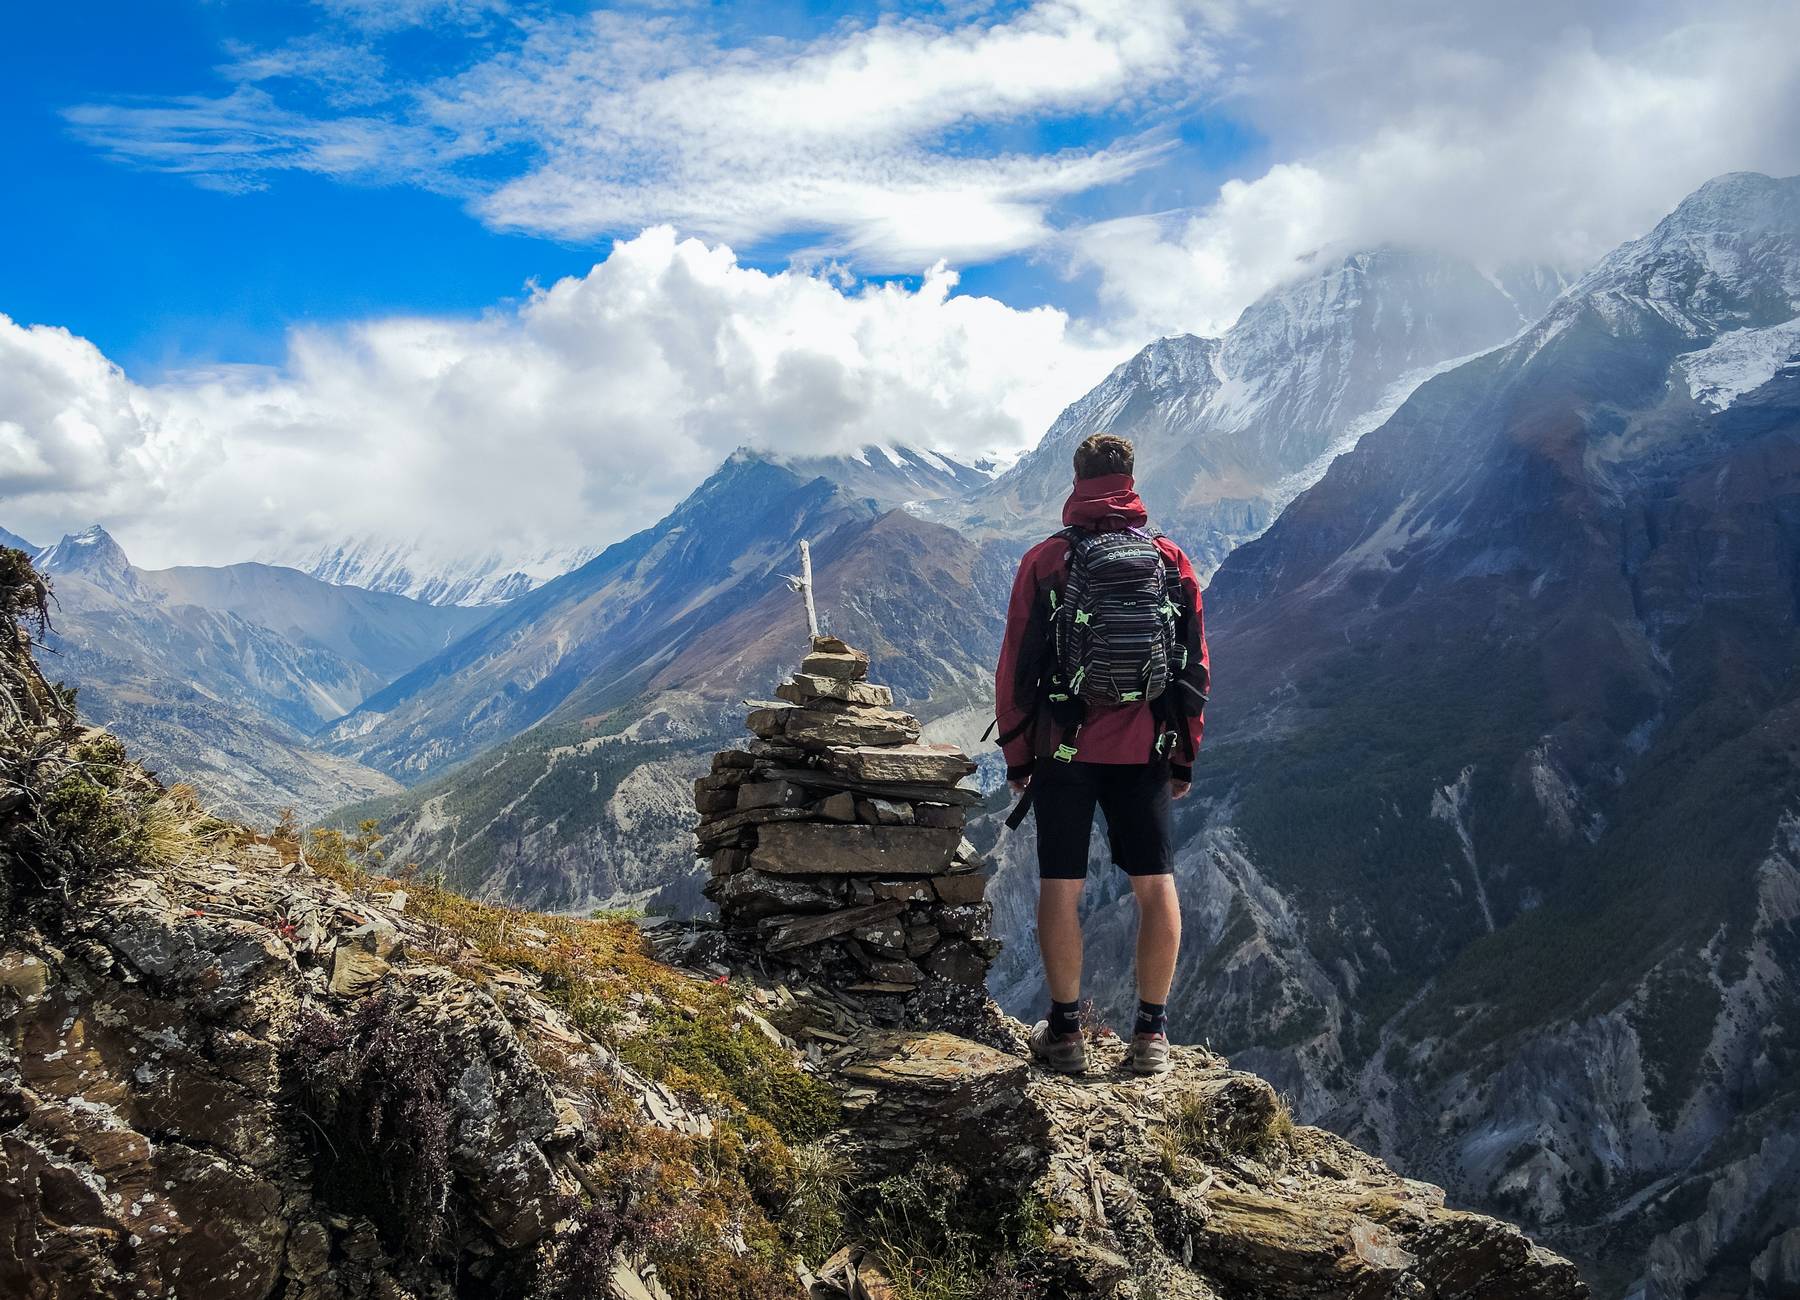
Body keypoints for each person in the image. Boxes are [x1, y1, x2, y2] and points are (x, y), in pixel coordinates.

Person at [993, 432, 1209, 1075]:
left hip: (1063, 747)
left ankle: (1065, 1032)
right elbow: (1194, 667)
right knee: (1154, 884)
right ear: (1132, 480)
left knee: (1060, 886)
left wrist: (1018, 755)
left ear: (1075, 479)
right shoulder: (1170, 561)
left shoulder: (1045, 562)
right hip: (1145, 747)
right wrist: (1183, 755)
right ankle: (1150, 1035)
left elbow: (1016, 667)